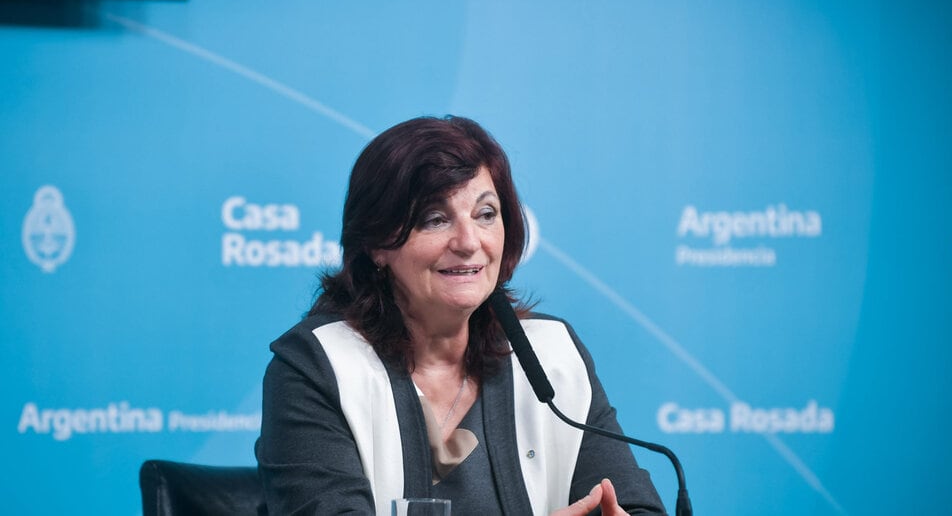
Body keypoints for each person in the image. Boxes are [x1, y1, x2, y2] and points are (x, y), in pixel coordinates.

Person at [256, 116, 667, 515]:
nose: (469, 242)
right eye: (435, 220)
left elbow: (634, 505)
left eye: (486, 214)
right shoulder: (318, 366)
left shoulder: (551, 355)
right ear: (377, 244)